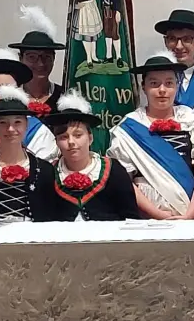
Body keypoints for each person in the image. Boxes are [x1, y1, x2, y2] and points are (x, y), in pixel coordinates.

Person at [110, 53, 194, 220]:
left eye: (169, 83)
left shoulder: (191, 122)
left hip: (191, 219)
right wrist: (158, 215)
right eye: (154, 83)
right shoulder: (127, 128)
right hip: (145, 220)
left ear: (177, 86)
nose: (162, 90)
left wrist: (189, 216)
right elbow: (125, 181)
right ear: (143, 87)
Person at [37, 91, 142, 222]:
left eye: (78, 135)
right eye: (63, 137)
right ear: (57, 142)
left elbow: (130, 217)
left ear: (90, 138)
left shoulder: (113, 170)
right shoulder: (48, 173)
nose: (71, 142)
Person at [0, 86, 60, 230]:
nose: (10, 129)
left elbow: (50, 214)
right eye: (3, 123)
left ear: (26, 125)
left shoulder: (44, 169)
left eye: (17, 122)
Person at [10, 6, 66, 116]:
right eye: (32, 57)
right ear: (20, 58)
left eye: (46, 57)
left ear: (54, 58)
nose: (40, 63)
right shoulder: (11, 97)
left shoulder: (64, 98)